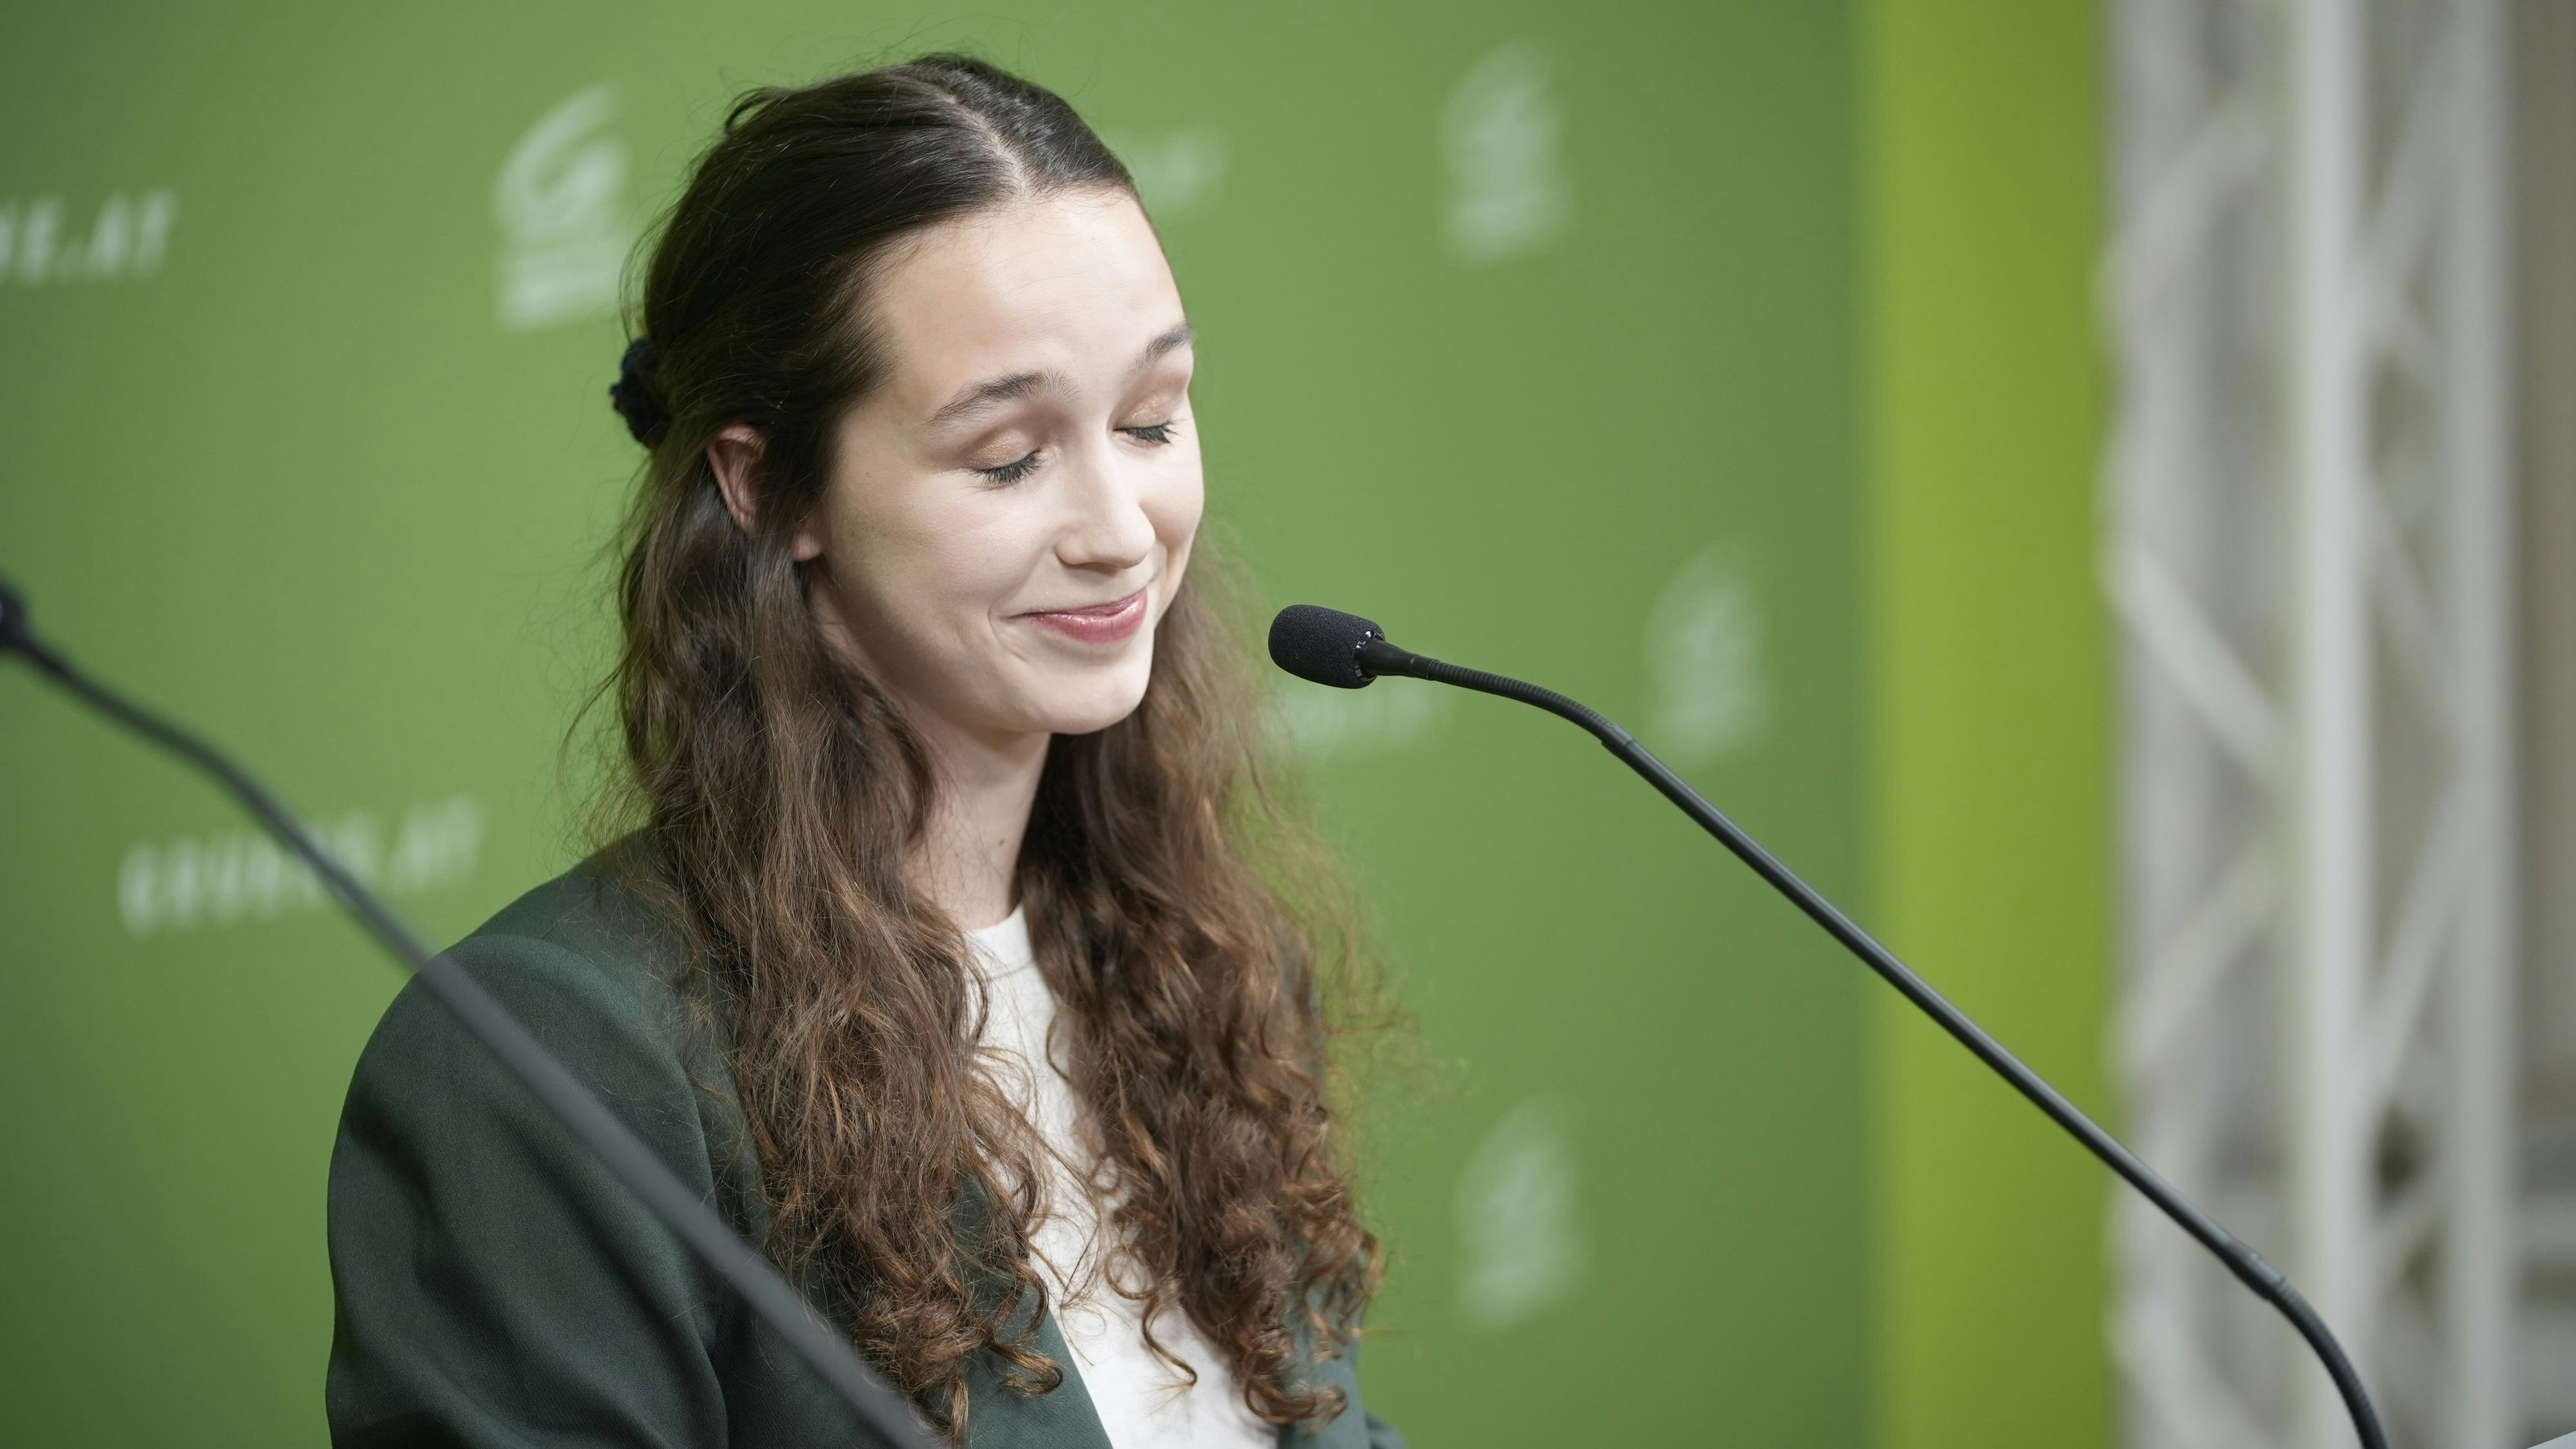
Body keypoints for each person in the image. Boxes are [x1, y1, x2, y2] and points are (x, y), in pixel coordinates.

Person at [325, 55, 1398, 1449]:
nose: (1122, 528)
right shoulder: (554, 1062)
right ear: (765, 487)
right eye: (1008, 456)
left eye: (1149, 421)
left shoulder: (1202, 971)